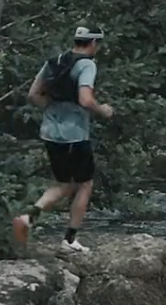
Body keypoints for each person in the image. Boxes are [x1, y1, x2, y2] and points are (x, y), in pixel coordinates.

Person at [11, 27, 114, 253]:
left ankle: (27, 219)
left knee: (64, 184)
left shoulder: (54, 61)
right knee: (85, 184)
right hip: (74, 134)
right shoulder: (87, 64)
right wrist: (103, 111)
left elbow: (33, 95)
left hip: (50, 132)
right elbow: (86, 100)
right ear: (93, 42)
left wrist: (53, 110)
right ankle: (69, 240)